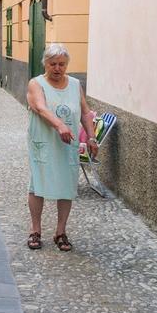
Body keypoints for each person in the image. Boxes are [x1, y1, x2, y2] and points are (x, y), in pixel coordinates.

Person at [25, 44, 98, 252]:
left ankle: (60, 231)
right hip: (44, 140)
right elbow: (40, 108)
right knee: (37, 183)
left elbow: (85, 112)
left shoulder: (75, 85)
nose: (58, 68)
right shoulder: (36, 84)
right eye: (53, 64)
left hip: (68, 143)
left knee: (67, 185)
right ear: (45, 64)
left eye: (62, 64)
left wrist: (91, 137)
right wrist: (59, 125)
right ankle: (35, 230)